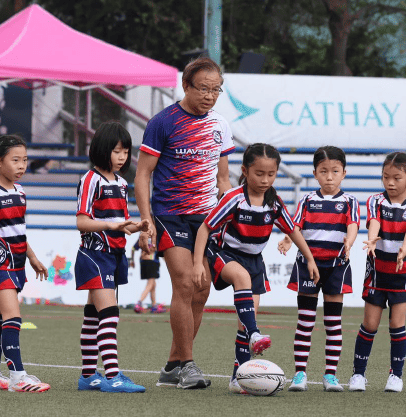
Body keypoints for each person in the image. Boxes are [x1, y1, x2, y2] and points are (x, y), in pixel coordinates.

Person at [136, 56, 235, 389]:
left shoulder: (220, 125)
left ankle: (172, 365)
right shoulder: (163, 122)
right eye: (203, 88)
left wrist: (231, 209)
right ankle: (189, 366)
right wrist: (146, 219)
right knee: (184, 282)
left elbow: (223, 178)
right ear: (186, 86)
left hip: (205, 219)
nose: (209, 95)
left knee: (202, 289)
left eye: (216, 90)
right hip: (170, 214)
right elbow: (143, 174)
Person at [191, 143, 320, 394]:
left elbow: (292, 230)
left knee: (243, 321)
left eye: (271, 174)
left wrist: (310, 258)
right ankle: (255, 333)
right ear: (245, 171)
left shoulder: (274, 203)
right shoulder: (234, 198)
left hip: (255, 262)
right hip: (225, 254)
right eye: (259, 174)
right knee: (241, 279)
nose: (265, 179)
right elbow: (205, 228)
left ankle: (237, 378)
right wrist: (198, 263)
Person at [0, 134, 51, 393]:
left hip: (17, 264)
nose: (22, 165)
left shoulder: (21, 192)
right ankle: (17, 376)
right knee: (12, 317)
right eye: (15, 160)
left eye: (25, 160)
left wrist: (33, 257)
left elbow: (18, 231)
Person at [74, 121, 149, 393]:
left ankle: (88, 376)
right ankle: (113, 376)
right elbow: (82, 222)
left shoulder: (121, 183)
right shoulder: (90, 179)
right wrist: (112, 226)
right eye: (117, 151)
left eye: (126, 152)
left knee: (94, 315)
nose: (122, 157)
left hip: (114, 255)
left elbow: (120, 223)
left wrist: (137, 226)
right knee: (110, 314)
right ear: (102, 149)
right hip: (94, 255)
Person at [278, 146, 360, 392]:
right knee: (305, 321)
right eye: (324, 171)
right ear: (315, 173)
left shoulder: (349, 201)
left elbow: (354, 224)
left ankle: (330, 376)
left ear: (344, 173)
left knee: (333, 322)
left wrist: (350, 240)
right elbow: (295, 225)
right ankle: (300, 374)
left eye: (335, 171)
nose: (330, 176)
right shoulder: (307, 200)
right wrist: (287, 239)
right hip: (308, 266)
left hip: (336, 266)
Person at [348, 152, 406, 393]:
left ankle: (396, 376)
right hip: (377, 271)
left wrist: (405, 248)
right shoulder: (375, 201)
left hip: (402, 272)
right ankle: (358, 375)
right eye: (385, 177)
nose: (390, 182)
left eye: (396, 178)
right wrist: (372, 240)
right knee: (369, 325)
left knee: (396, 325)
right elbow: (375, 222)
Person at [130, 237, 164, 314]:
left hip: (143, 261)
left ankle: (154, 306)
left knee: (153, 285)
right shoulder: (156, 236)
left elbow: (133, 248)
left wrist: (132, 260)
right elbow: (162, 251)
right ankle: (139, 303)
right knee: (150, 284)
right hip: (152, 261)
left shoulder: (143, 236)